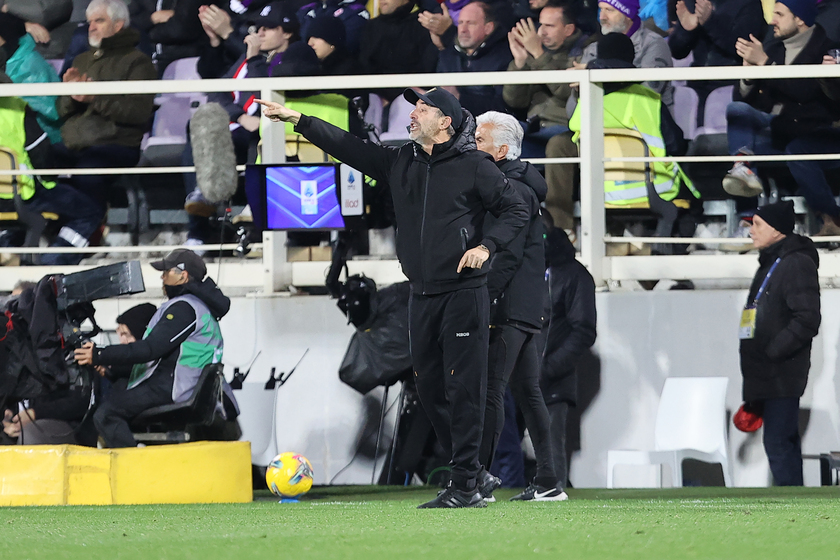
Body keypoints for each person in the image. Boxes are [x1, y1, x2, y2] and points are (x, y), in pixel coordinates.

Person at [256, 87, 528, 508]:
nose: (413, 111)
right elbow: (348, 146)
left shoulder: (475, 166)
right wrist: (298, 120)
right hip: (420, 295)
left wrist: (487, 247)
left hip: (463, 293)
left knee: (463, 391)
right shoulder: (401, 159)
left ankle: (465, 485)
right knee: (430, 389)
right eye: (414, 106)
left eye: (424, 107)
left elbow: (517, 210)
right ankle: (471, 472)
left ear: (445, 123)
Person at [475, 111, 567, 502]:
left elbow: (507, 255)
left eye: (480, 139)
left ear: (500, 150)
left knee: (491, 391)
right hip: (529, 303)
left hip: (509, 303)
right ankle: (548, 480)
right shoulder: (525, 183)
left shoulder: (509, 189)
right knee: (528, 394)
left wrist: (485, 294)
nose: (473, 143)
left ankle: (475, 479)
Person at [75, 249, 231, 448]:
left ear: (182, 276)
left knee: (107, 413)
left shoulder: (185, 308)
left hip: (175, 387)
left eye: (167, 272)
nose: (162, 277)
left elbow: (150, 350)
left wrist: (98, 354)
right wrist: (110, 367)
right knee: (114, 399)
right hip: (180, 382)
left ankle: (135, 468)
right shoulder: (199, 307)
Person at [721, 0, 840, 236]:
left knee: (798, 152)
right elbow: (748, 100)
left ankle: (832, 220)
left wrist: (765, 64)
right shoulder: (774, 48)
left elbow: (804, 92)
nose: (771, 20)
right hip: (781, 132)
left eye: (779, 14)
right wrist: (748, 75)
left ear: (800, 19)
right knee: (737, 112)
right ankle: (746, 212)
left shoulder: (828, 50)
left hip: (817, 134)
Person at [184, 1, 300, 242]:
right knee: (197, 130)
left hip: (265, 127)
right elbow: (217, 92)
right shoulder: (248, 58)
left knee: (251, 139)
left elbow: (264, 88)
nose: (260, 33)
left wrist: (253, 58)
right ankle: (198, 225)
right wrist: (238, 115)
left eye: (269, 28)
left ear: (287, 32)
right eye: (258, 28)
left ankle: (246, 220)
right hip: (238, 124)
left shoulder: (291, 61)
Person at [54, 0, 157, 264]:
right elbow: (63, 110)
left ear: (118, 25)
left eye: (99, 21)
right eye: (89, 21)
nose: (91, 27)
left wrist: (94, 98)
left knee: (88, 173)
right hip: (77, 142)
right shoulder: (82, 60)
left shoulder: (139, 63)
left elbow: (138, 113)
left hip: (117, 143)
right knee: (36, 165)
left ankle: (79, 239)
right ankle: (24, 237)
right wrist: (70, 95)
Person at [568, 33, 698, 213]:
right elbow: (674, 145)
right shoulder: (646, 99)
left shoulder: (585, 103)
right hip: (653, 191)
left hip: (599, 195)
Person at [740, 201, 820, 486]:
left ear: (776, 230)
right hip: (768, 372)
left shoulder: (795, 263)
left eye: (757, 224)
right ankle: (795, 503)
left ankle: (793, 507)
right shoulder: (773, 261)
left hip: (782, 372)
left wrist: (773, 352)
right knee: (781, 442)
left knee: (779, 442)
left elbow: (807, 319)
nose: (751, 230)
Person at [502, 0, 593, 228]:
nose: (540, 31)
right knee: (498, 137)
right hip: (535, 129)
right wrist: (520, 62)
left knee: (556, 145)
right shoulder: (536, 53)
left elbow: (565, 92)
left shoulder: (585, 51)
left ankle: (560, 229)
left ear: (569, 29)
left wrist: (537, 53)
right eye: (540, 24)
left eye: (549, 26)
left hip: (567, 131)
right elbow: (515, 100)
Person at [540, 213, 596, 491]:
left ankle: (553, 499)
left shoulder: (574, 275)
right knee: (504, 450)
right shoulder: (518, 267)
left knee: (550, 447)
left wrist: (547, 368)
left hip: (552, 381)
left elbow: (584, 330)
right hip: (512, 377)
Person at [668, 0, 767, 121]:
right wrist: (685, 30)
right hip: (696, 85)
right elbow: (677, 52)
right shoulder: (693, 2)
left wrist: (709, 21)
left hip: (730, 87)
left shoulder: (749, 4)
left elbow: (744, 48)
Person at [576, 0, 674, 113]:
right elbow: (572, 110)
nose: (602, 17)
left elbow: (646, 95)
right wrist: (579, 90)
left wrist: (601, 75)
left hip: (644, 126)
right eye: (600, 9)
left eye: (609, 10)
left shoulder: (653, 44)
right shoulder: (593, 48)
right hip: (601, 125)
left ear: (628, 14)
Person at [436, 1, 513, 117]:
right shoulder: (448, 56)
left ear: (488, 28)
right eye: (460, 23)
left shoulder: (505, 56)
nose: (463, 29)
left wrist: (459, 98)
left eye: (470, 23)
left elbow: (506, 108)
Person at [358, 0, 439, 103]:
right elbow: (365, 67)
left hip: (411, 98)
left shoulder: (423, 25)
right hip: (376, 96)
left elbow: (426, 69)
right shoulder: (372, 26)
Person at [0, 12, 62, 142]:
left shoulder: (30, 64)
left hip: (46, 141)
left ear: (6, 37)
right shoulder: (7, 62)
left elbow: (56, 110)